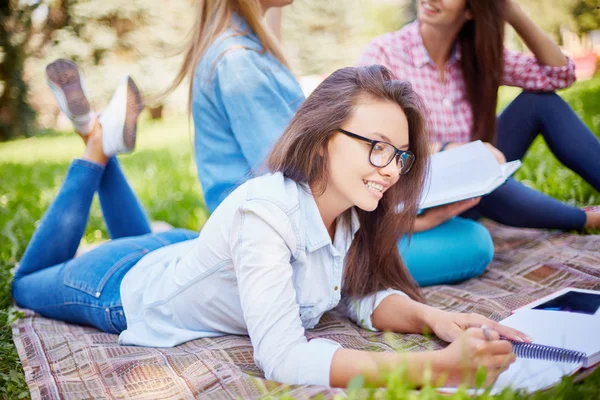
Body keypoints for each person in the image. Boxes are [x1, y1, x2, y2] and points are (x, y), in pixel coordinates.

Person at [12, 62, 527, 389]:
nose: (391, 169)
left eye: (400, 155)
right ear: (324, 137)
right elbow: (281, 357)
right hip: (118, 286)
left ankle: (99, 138)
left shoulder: (345, 210)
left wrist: (430, 319)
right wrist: (433, 369)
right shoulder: (266, 214)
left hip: (174, 251)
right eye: (376, 147)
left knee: (138, 236)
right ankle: (96, 145)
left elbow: (353, 296)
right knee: (25, 284)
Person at [166, 0, 495, 287]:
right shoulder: (237, 62)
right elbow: (289, 172)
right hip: (287, 245)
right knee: (473, 242)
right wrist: (402, 220)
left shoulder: (248, 49)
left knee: (462, 229)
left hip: (311, 223)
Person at [358, 0, 600, 231]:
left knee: (541, 102)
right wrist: (447, 148)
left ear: (471, 10)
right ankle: (587, 219)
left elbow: (560, 75)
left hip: (477, 169)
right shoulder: (385, 53)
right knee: (482, 177)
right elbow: (366, 135)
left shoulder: (478, 54)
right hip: (417, 184)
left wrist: (512, 12)